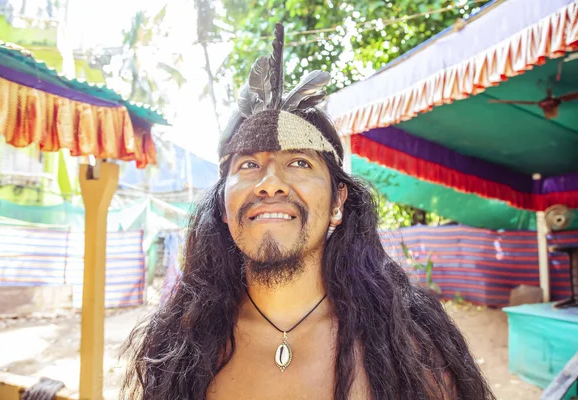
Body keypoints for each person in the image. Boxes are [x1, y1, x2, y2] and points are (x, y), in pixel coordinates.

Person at [121, 23, 494, 400]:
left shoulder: (409, 344)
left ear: (337, 203)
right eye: (248, 165)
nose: (270, 183)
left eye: (299, 163)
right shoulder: (179, 344)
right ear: (222, 206)